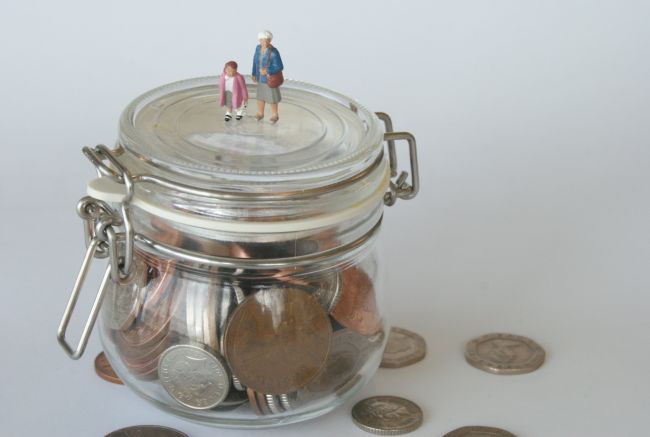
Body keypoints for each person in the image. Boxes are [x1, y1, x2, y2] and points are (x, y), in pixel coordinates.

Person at [251, 30, 284, 124]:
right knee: (260, 97)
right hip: (260, 79)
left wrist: (267, 71)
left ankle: (275, 115)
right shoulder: (258, 49)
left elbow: (279, 66)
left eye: (266, 40)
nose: (264, 42)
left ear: (270, 40)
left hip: (270, 79)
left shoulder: (274, 52)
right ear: (259, 40)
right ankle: (260, 113)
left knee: (272, 98)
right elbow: (254, 61)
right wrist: (254, 73)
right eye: (262, 40)